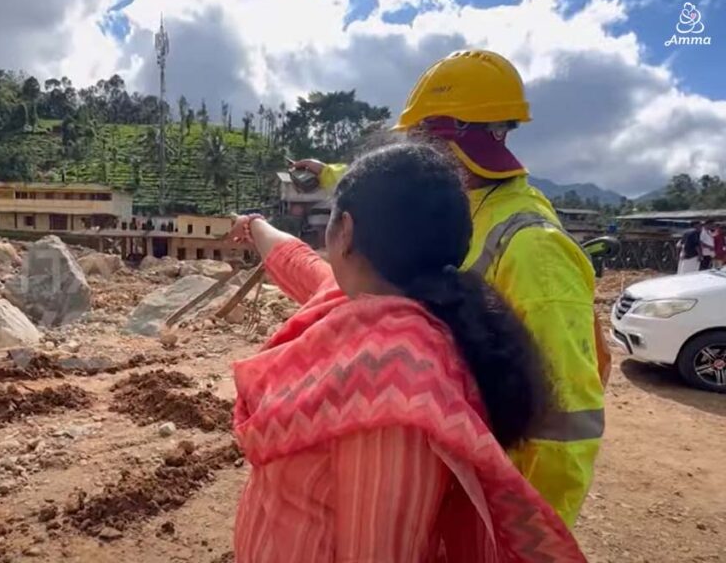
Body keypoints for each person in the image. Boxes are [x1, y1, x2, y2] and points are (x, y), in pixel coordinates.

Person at [290, 49, 605, 528]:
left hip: (499, 500)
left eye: (419, 139)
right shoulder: (468, 200)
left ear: (449, 142)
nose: (414, 151)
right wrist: (329, 174)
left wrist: (527, 535)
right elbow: (397, 189)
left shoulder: (533, 248)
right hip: (458, 471)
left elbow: (567, 425)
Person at [230, 143, 583, 562]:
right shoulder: (364, 302)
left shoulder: (395, 383)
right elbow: (296, 259)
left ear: (345, 230)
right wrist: (254, 226)